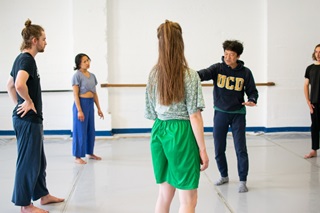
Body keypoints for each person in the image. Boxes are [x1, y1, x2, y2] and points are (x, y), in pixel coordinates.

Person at [145, 20, 209, 213]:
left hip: (159, 132)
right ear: (180, 43)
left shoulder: (154, 74)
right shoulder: (189, 75)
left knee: (164, 195)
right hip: (181, 134)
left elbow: (151, 111)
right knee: (188, 200)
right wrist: (203, 150)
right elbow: (195, 116)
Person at [6, 19, 64, 213]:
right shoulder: (26, 60)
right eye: (43, 39)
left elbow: (9, 85)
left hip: (30, 119)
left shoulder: (21, 58)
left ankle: (43, 195)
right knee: (28, 162)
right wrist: (27, 103)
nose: (45, 42)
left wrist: (19, 105)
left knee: (39, 160)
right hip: (28, 120)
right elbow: (19, 85)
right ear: (34, 40)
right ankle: (25, 205)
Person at [197, 40, 258, 193]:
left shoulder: (245, 72)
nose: (228, 57)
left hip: (238, 115)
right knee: (219, 148)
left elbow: (252, 91)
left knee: (240, 149)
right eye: (226, 54)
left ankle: (243, 180)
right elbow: (202, 74)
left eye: (231, 55)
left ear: (238, 56)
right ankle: (224, 175)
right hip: (220, 114)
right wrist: (186, 73)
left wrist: (252, 100)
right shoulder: (217, 68)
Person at [72, 53, 104, 164]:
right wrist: (79, 110)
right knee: (80, 130)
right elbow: (75, 94)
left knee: (91, 130)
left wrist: (99, 108)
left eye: (88, 60)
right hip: (81, 104)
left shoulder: (92, 76)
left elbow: (94, 93)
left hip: (90, 104)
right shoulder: (77, 76)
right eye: (84, 61)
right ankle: (77, 156)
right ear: (79, 63)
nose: (87, 63)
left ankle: (90, 152)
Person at [304, 44, 320, 159]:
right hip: (315, 102)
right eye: (316, 52)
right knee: (314, 126)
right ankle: (314, 150)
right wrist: (308, 101)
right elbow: (305, 85)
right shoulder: (310, 68)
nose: (318, 54)